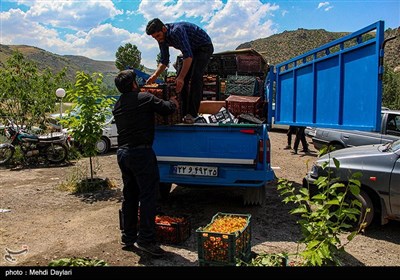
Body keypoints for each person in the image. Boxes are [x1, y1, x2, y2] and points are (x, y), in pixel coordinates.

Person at [113, 69, 179, 257]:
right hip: (141, 153)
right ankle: (147, 240)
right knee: (149, 196)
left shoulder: (117, 105)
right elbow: (167, 109)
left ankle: (128, 236)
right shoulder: (145, 98)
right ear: (134, 84)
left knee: (130, 195)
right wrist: (174, 101)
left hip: (123, 154)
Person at [145, 18, 214, 122]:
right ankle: (184, 112)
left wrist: (181, 77)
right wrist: (154, 76)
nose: (157, 39)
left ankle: (192, 114)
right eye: (155, 38)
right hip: (192, 50)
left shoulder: (177, 31)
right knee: (180, 81)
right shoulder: (162, 39)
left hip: (204, 47)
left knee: (196, 77)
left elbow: (188, 56)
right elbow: (164, 60)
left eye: (158, 36)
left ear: (164, 29)